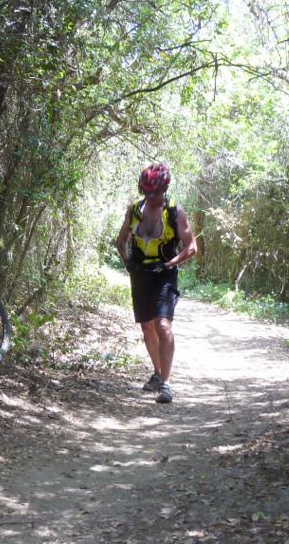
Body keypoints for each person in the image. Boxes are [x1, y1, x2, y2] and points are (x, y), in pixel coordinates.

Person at [115, 163, 196, 404]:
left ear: (164, 189)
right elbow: (121, 241)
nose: (151, 198)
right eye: (147, 193)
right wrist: (127, 261)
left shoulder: (175, 212)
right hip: (140, 273)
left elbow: (191, 247)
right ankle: (157, 373)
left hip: (164, 273)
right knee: (147, 327)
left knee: (163, 325)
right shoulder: (134, 211)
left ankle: (166, 384)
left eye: (155, 193)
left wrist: (172, 263)